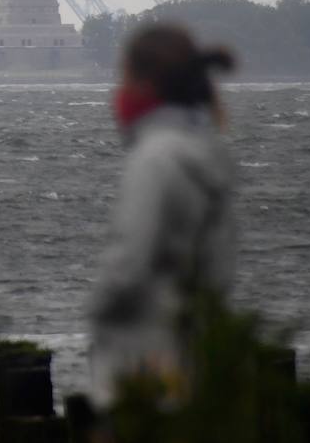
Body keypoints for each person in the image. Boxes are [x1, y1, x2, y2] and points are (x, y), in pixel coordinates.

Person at [89, 24, 238, 407]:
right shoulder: (207, 152)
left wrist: (99, 311)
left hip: (144, 360)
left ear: (146, 84)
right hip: (194, 345)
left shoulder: (155, 158)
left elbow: (130, 264)